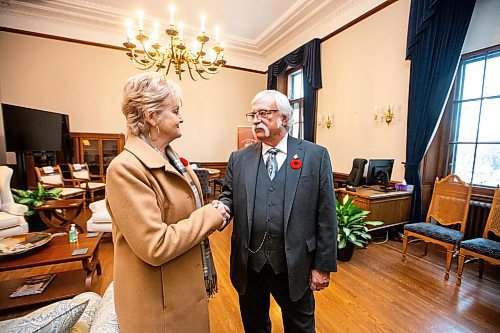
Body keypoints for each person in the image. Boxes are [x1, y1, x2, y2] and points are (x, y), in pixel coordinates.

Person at [106, 72, 229, 332]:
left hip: (181, 288)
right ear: (152, 117)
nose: (181, 117)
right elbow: (156, 245)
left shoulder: (172, 158)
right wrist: (211, 215)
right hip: (158, 305)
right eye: (175, 110)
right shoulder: (125, 169)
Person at [216, 90, 338, 332]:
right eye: (253, 114)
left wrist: (323, 265)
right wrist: (222, 207)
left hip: (294, 265)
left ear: (284, 118)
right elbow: (228, 196)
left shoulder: (315, 155)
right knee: (254, 326)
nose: (255, 120)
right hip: (250, 265)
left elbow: (326, 214)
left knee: (300, 327)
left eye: (264, 113)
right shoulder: (238, 159)